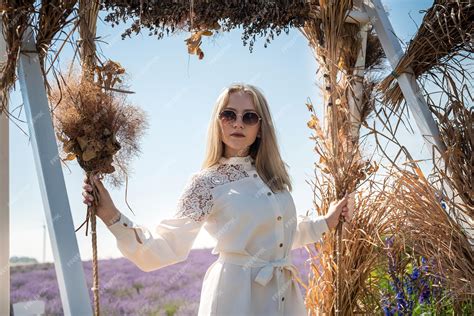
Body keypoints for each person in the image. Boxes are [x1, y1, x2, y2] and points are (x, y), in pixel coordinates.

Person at [82, 83, 355, 316]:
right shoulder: (206, 183)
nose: (238, 122)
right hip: (235, 298)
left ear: (260, 128)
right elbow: (166, 248)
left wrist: (327, 221)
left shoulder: (273, 179)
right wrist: (112, 217)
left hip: (283, 297)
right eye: (229, 114)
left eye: (249, 117)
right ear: (218, 122)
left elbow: (281, 236)